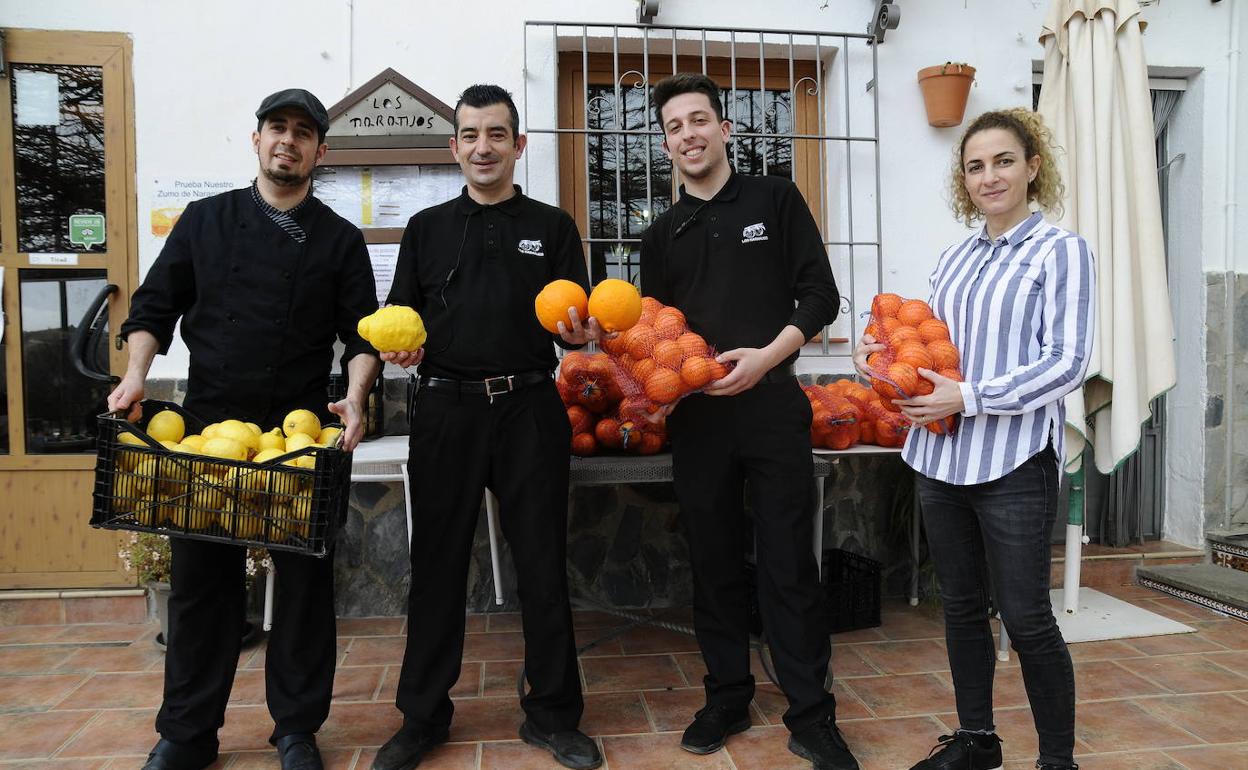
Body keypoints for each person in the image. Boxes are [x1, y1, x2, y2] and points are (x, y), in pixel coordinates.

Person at [108, 88, 381, 770]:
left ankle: (296, 729)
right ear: (256, 140)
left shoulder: (339, 239)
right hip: (205, 428)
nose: (288, 140)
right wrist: (137, 375)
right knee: (203, 583)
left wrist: (356, 397)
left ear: (321, 151)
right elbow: (152, 308)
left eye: (302, 132)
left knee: (304, 585)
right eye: (276, 128)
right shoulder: (204, 221)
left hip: (297, 435)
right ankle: (187, 733)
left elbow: (363, 334)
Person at [854, 108, 1093, 770]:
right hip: (939, 456)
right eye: (976, 166)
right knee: (959, 607)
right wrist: (879, 358)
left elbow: (1067, 360)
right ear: (965, 180)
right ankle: (977, 739)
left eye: (1004, 161)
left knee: (1025, 617)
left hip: (1014, 461)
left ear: (1033, 166)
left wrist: (973, 396)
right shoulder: (954, 258)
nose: (990, 177)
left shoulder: (1062, 251)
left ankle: (1058, 762)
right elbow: (934, 348)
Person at [371, 84, 601, 770]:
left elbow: (576, 334)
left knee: (541, 565)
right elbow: (398, 320)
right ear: (454, 147)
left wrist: (584, 334)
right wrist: (398, 351)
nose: (482, 147)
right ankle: (421, 717)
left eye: (496, 134)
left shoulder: (553, 227)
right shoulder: (426, 228)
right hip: (444, 408)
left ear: (518, 145)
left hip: (531, 407)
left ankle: (555, 714)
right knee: (436, 566)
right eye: (470, 134)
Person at [637, 72, 859, 770]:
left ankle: (810, 713)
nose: (689, 135)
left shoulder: (774, 197)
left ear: (726, 129)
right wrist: (654, 381)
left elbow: (820, 295)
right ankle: (727, 693)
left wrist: (765, 358)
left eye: (700, 120)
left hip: (772, 408)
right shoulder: (662, 234)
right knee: (713, 563)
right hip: (699, 422)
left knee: (790, 564)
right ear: (666, 143)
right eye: (675, 127)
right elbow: (653, 334)